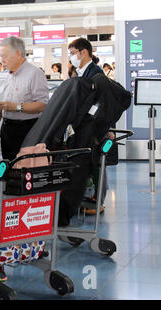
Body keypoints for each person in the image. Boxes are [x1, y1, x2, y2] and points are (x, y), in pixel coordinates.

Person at [68, 37, 108, 215]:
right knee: (86, 161)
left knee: (96, 162)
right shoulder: (81, 72)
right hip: (81, 125)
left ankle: (98, 200)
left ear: (84, 52)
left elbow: (103, 101)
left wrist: (107, 128)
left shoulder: (96, 72)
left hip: (93, 126)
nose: (71, 57)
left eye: (73, 53)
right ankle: (86, 197)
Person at [0, 36, 49, 161]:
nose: (2, 60)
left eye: (5, 56)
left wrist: (16, 107)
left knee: (23, 167)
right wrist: (1, 108)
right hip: (8, 128)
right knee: (9, 165)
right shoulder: (9, 75)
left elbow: (42, 104)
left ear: (18, 54)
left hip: (26, 129)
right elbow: (11, 99)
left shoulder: (35, 73)